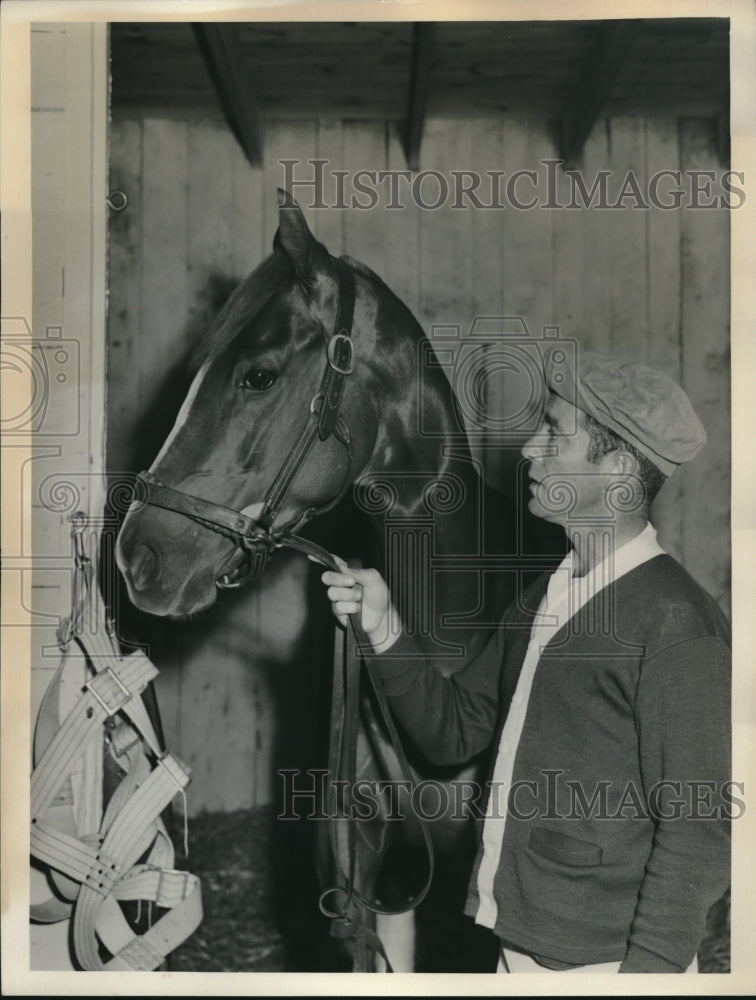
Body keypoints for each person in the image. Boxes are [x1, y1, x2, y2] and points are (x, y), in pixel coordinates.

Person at [320, 345, 731, 973]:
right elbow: (453, 732)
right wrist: (383, 627)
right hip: (517, 942)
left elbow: (697, 829)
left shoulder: (677, 624)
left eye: (554, 434)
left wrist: (648, 976)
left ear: (617, 470)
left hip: (607, 966)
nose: (527, 450)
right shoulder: (546, 595)